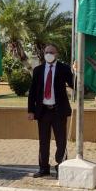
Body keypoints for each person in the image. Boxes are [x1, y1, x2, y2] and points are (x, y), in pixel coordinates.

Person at [27, 44, 74, 178]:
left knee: (61, 141)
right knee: (43, 141)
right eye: (47, 52)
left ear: (56, 54)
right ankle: (43, 168)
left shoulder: (64, 69)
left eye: (51, 52)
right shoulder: (38, 70)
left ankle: (61, 166)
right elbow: (32, 92)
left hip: (59, 111)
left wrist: (77, 73)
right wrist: (31, 110)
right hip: (43, 112)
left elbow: (73, 84)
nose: (49, 54)